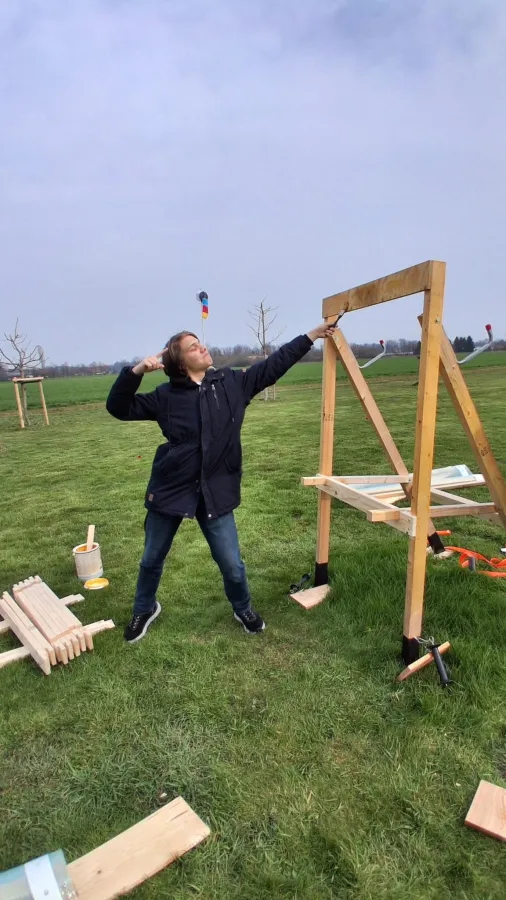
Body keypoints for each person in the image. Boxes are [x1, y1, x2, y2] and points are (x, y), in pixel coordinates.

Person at [106, 322, 335, 643]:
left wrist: (311, 336)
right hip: (171, 488)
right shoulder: (165, 396)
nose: (202, 347)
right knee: (151, 558)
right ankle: (144, 608)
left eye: (199, 342)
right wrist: (136, 371)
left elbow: (273, 366)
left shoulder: (231, 384)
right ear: (180, 363)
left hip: (215, 490)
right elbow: (118, 407)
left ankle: (243, 608)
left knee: (231, 563)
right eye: (192, 347)